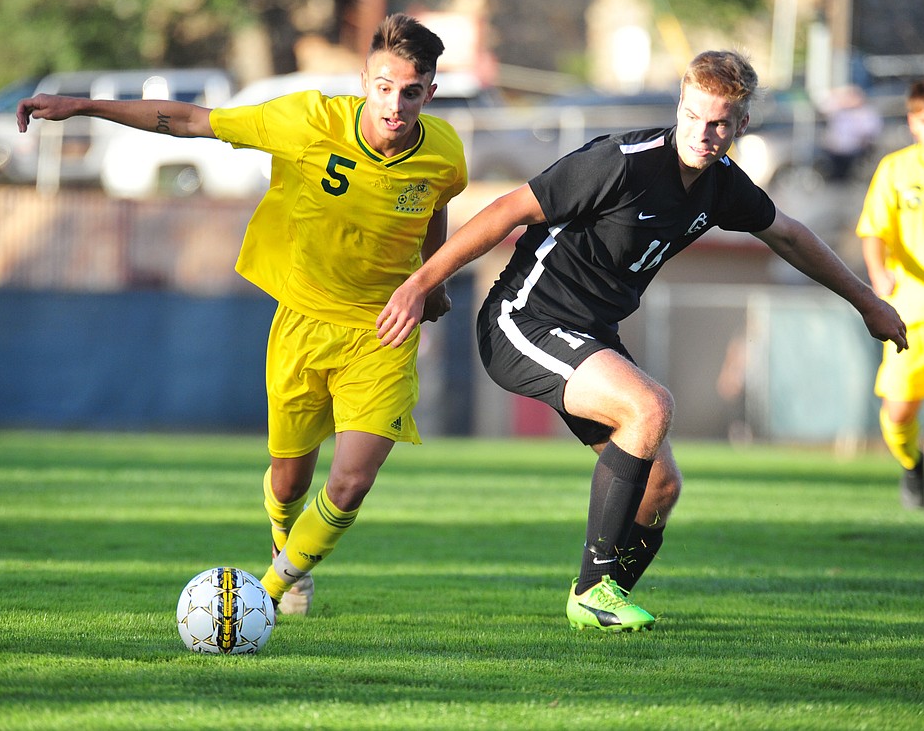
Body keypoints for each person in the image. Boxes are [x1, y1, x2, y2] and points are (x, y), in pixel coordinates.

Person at [377, 50, 908, 633]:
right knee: (650, 405)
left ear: (741, 126)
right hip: (523, 319)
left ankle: (603, 604)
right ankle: (592, 589)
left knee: (660, 486)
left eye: (719, 125)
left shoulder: (723, 186)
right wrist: (421, 283)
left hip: (590, 334)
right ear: (679, 107)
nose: (703, 135)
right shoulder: (621, 162)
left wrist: (869, 302)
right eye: (693, 117)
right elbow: (505, 210)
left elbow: (789, 235)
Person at [17, 13, 469, 615]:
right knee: (288, 482)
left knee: (352, 481)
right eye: (383, 86)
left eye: (411, 91)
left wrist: (429, 280)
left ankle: (266, 591)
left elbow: (433, 204)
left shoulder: (444, 151)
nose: (395, 104)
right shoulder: (307, 119)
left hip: (382, 332)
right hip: (303, 322)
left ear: (429, 93)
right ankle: (286, 543)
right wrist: (79, 105)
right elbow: (190, 121)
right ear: (364, 79)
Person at [856, 80, 924, 509]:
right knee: (899, 412)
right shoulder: (896, 170)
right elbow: (873, 230)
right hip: (912, 310)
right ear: (912, 120)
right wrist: (879, 276)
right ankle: (912, 465)